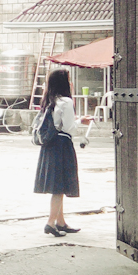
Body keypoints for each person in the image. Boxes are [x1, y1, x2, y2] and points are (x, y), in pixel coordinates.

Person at [33, 68, 82, 238]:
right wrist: (79, 123)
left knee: (57, 184)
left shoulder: (49, 100)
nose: (71, 83)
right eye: (69, 79)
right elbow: (69, 128)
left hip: (49, 146)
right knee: (59, 186)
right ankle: (50, 222)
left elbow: (58, 123)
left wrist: (79, 119)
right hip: (62, 145)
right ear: (64, 83)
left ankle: (61, 222)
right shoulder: (67, 101)